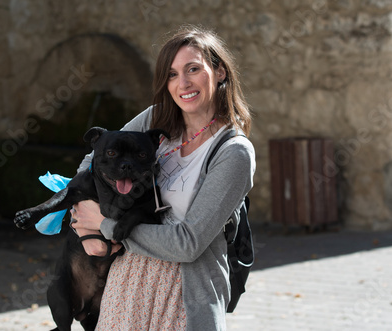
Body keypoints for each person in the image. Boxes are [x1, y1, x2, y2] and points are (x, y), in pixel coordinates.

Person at [70, 25, 255, 330]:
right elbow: (93, 161)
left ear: (220, 71)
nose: (183, 83)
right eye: (171, 74)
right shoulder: (155, 119)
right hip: (125, 287)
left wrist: (106, 224)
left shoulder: (233, 152)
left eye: (193, 69)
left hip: (184, 297)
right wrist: (89, 214)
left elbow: (188, 244)